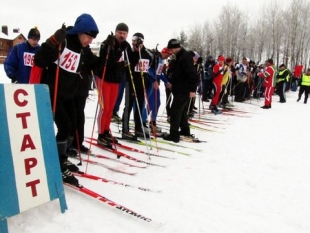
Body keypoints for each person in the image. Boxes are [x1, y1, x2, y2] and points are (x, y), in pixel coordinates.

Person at [32, 13, 104, 187]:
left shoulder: (84, 49)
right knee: (64, 126)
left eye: (92, 38)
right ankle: (57, 162)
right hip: (53, 92)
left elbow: (95, 66)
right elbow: (40, 59)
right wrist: (53, 42)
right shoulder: (64, 41)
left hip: (69, 94)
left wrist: (107, 54)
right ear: (79, 32)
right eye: (88, 36)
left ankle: (62, 158)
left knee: (72, 126)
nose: (89, 40)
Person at [96, 23, 130, 147]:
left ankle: (106, 131)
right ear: (115, 32)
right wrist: (119, 49)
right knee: (104, 108)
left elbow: (130, 62)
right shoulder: (108, 44)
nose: (122, 35)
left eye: (124, 33)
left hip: (116, 80)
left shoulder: (126, 46)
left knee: (111, 108)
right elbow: (108, 62)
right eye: (120, 33)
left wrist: (135, 51)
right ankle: (100, 135)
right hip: (104, 78)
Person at [162, 39, 198, 143]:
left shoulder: (185, 56)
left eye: (172, 49)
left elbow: (192, 74)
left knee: (175, 111)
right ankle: (185, 131)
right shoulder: (180, 56)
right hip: (179, 88)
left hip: (184, 89)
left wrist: (192, 89)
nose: (171, 51)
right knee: (181, 111)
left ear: (177, 47)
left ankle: (174, 135)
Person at [121, 32, 153, 140]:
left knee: (139, 106)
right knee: (128, 106)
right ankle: (125, 130)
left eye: (136, 40)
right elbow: (127, 64)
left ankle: (138, 128)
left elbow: (151, 61)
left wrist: (142, 50)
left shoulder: (146, 53)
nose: (133, 42)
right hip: (130, 82)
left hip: (141, 83)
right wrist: (134, 52)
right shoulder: (129, 52)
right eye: (133, 40)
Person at [141, 47, 172, 134]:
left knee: (157, 103)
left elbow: (159, 73)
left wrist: (166, 82)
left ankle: (152, 122)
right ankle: (142, 122)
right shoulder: (156, 58)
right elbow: (148, 70)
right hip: (151, 83)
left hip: (155, 83)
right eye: (168, 55)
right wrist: (153, 81)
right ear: (164, 52)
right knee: (150, 104)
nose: (167, 57)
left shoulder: (161, 60)